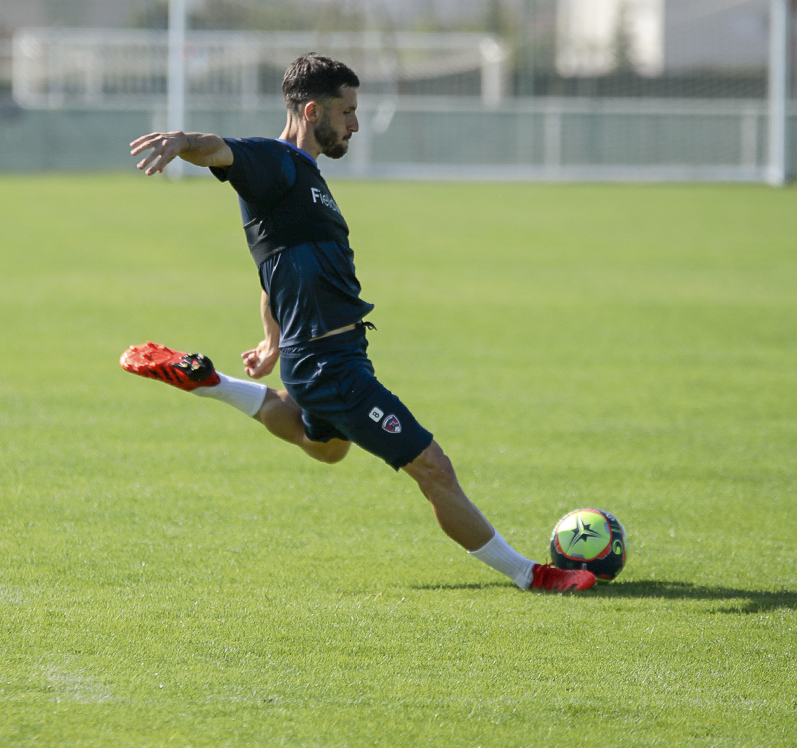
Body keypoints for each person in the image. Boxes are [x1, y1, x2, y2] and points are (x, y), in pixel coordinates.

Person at [124, 53, 596, 592]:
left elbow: (270, 270)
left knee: (326, 446)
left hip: (322, 358)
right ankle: (529, 576)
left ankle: (212, 383)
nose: (353, 123)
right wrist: (182, 140)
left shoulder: (302, 182)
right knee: (433, 467)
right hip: (329, 366)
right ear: (310, 111)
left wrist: (271, 341)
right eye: (346, 111)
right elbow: (220, 149)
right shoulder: (275, 162)